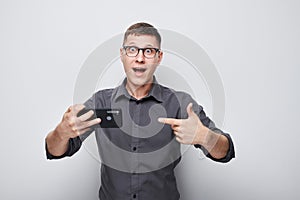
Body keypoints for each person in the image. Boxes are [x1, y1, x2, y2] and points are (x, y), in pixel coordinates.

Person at [45, 22, 235, 200]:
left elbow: (225, 151)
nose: (140, 58)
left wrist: (205, 137)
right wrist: (61, 134)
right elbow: (55, 151)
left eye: (149, 51)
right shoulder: (100, 102)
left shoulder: (180, 103)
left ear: (159, 57)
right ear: (122, 55)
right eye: (132, 50)